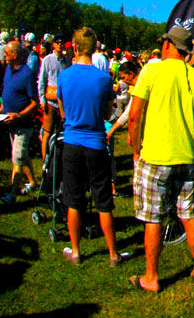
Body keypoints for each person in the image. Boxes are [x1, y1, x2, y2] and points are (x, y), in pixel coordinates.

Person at [127, 25, 194, 293]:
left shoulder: (152, 70)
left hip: (155, 156)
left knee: (154, 219)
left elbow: (134, 115)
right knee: (190, 215)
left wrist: (135, 146)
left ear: (167, 45)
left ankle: (151, 277)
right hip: (186, 158)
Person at [56, 28, 127, 267]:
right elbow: (108, 112)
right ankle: (113, 254)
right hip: (96, 141)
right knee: (103, 200)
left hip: (73, 141)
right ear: (95, 48)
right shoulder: (105, 79)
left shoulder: (64, 76)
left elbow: (62, 111)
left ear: (74, 48)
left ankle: (76, 251)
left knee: (73, 199)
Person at [0, 41, 38, 203]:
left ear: (15, 55)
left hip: (22, 124)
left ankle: (12, 193)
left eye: (7, 52)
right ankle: (33, 182)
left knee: (17, 158)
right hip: (10, 122)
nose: (3, 55)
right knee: (22, 155)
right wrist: (2, 107)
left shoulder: (27, 74)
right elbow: (7, 91)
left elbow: (34, 102)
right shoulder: (8, 69)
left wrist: (19, 115)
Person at [38, 35, 71, 160]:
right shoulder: (48, 60)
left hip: (64, 102)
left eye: (62, 43)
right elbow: (42, 80)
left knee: (62, 131)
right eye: (57, 43)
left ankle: (58, 157)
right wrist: (42, 99)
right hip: (51, 101)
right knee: (47, 131)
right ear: (53, 45)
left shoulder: (67, 61)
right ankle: (45, 159)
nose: (60, 45)